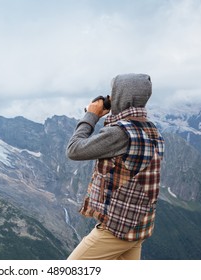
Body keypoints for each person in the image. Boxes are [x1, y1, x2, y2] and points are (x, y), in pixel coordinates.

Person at [66, 73, 165, 260]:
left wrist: (91, 115)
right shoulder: (152, 129)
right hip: (138, 228)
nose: (110, 98)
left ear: (122, 96)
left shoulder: (121, 133)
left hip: (115, 230)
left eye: (113, 93)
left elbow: (74, 150)